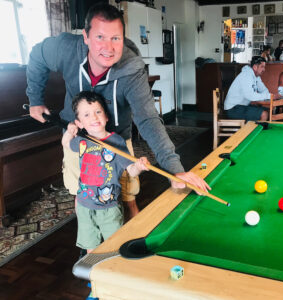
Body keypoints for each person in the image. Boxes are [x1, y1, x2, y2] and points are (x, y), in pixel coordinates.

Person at [26, 3, 210, 220]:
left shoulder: (132, 70)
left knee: (127, 195)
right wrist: (35, 99)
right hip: (78, 137)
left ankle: (133, 242)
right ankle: (89, 247)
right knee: (82, 196)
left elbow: (148, 120)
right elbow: (37, 55)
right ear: (86, 36)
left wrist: (174, 169)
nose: (108, 47)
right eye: (100, 37)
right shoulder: (66, 49)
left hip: (117, 139)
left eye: (116, 38)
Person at [62, 91, 150, 253]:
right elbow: (66, 144)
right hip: (84, 206)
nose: (94, 117)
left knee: (114, 247)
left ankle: (113, 273)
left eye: (98, 112)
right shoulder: (82, 141)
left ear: (106, 117)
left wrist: (139, 165)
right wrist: (69, 131)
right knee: (91, 248)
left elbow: (131, 171)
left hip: (109, 207)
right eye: (86, 115)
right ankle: (94, 274)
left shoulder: (116, 141)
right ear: (79, 123)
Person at [224, 56, 270, 121]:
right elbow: (250, 96)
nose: (264, 69)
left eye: (264, 67)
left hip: (241, 106)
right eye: (262, 67)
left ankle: (252, 130)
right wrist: (269, 96)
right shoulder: (246, 75)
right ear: (255, 67)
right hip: (233, 109)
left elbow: (264, 90)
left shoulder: (256, 77)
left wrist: (267, 96)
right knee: (264, 114)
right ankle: (257, 131)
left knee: (266, 110)